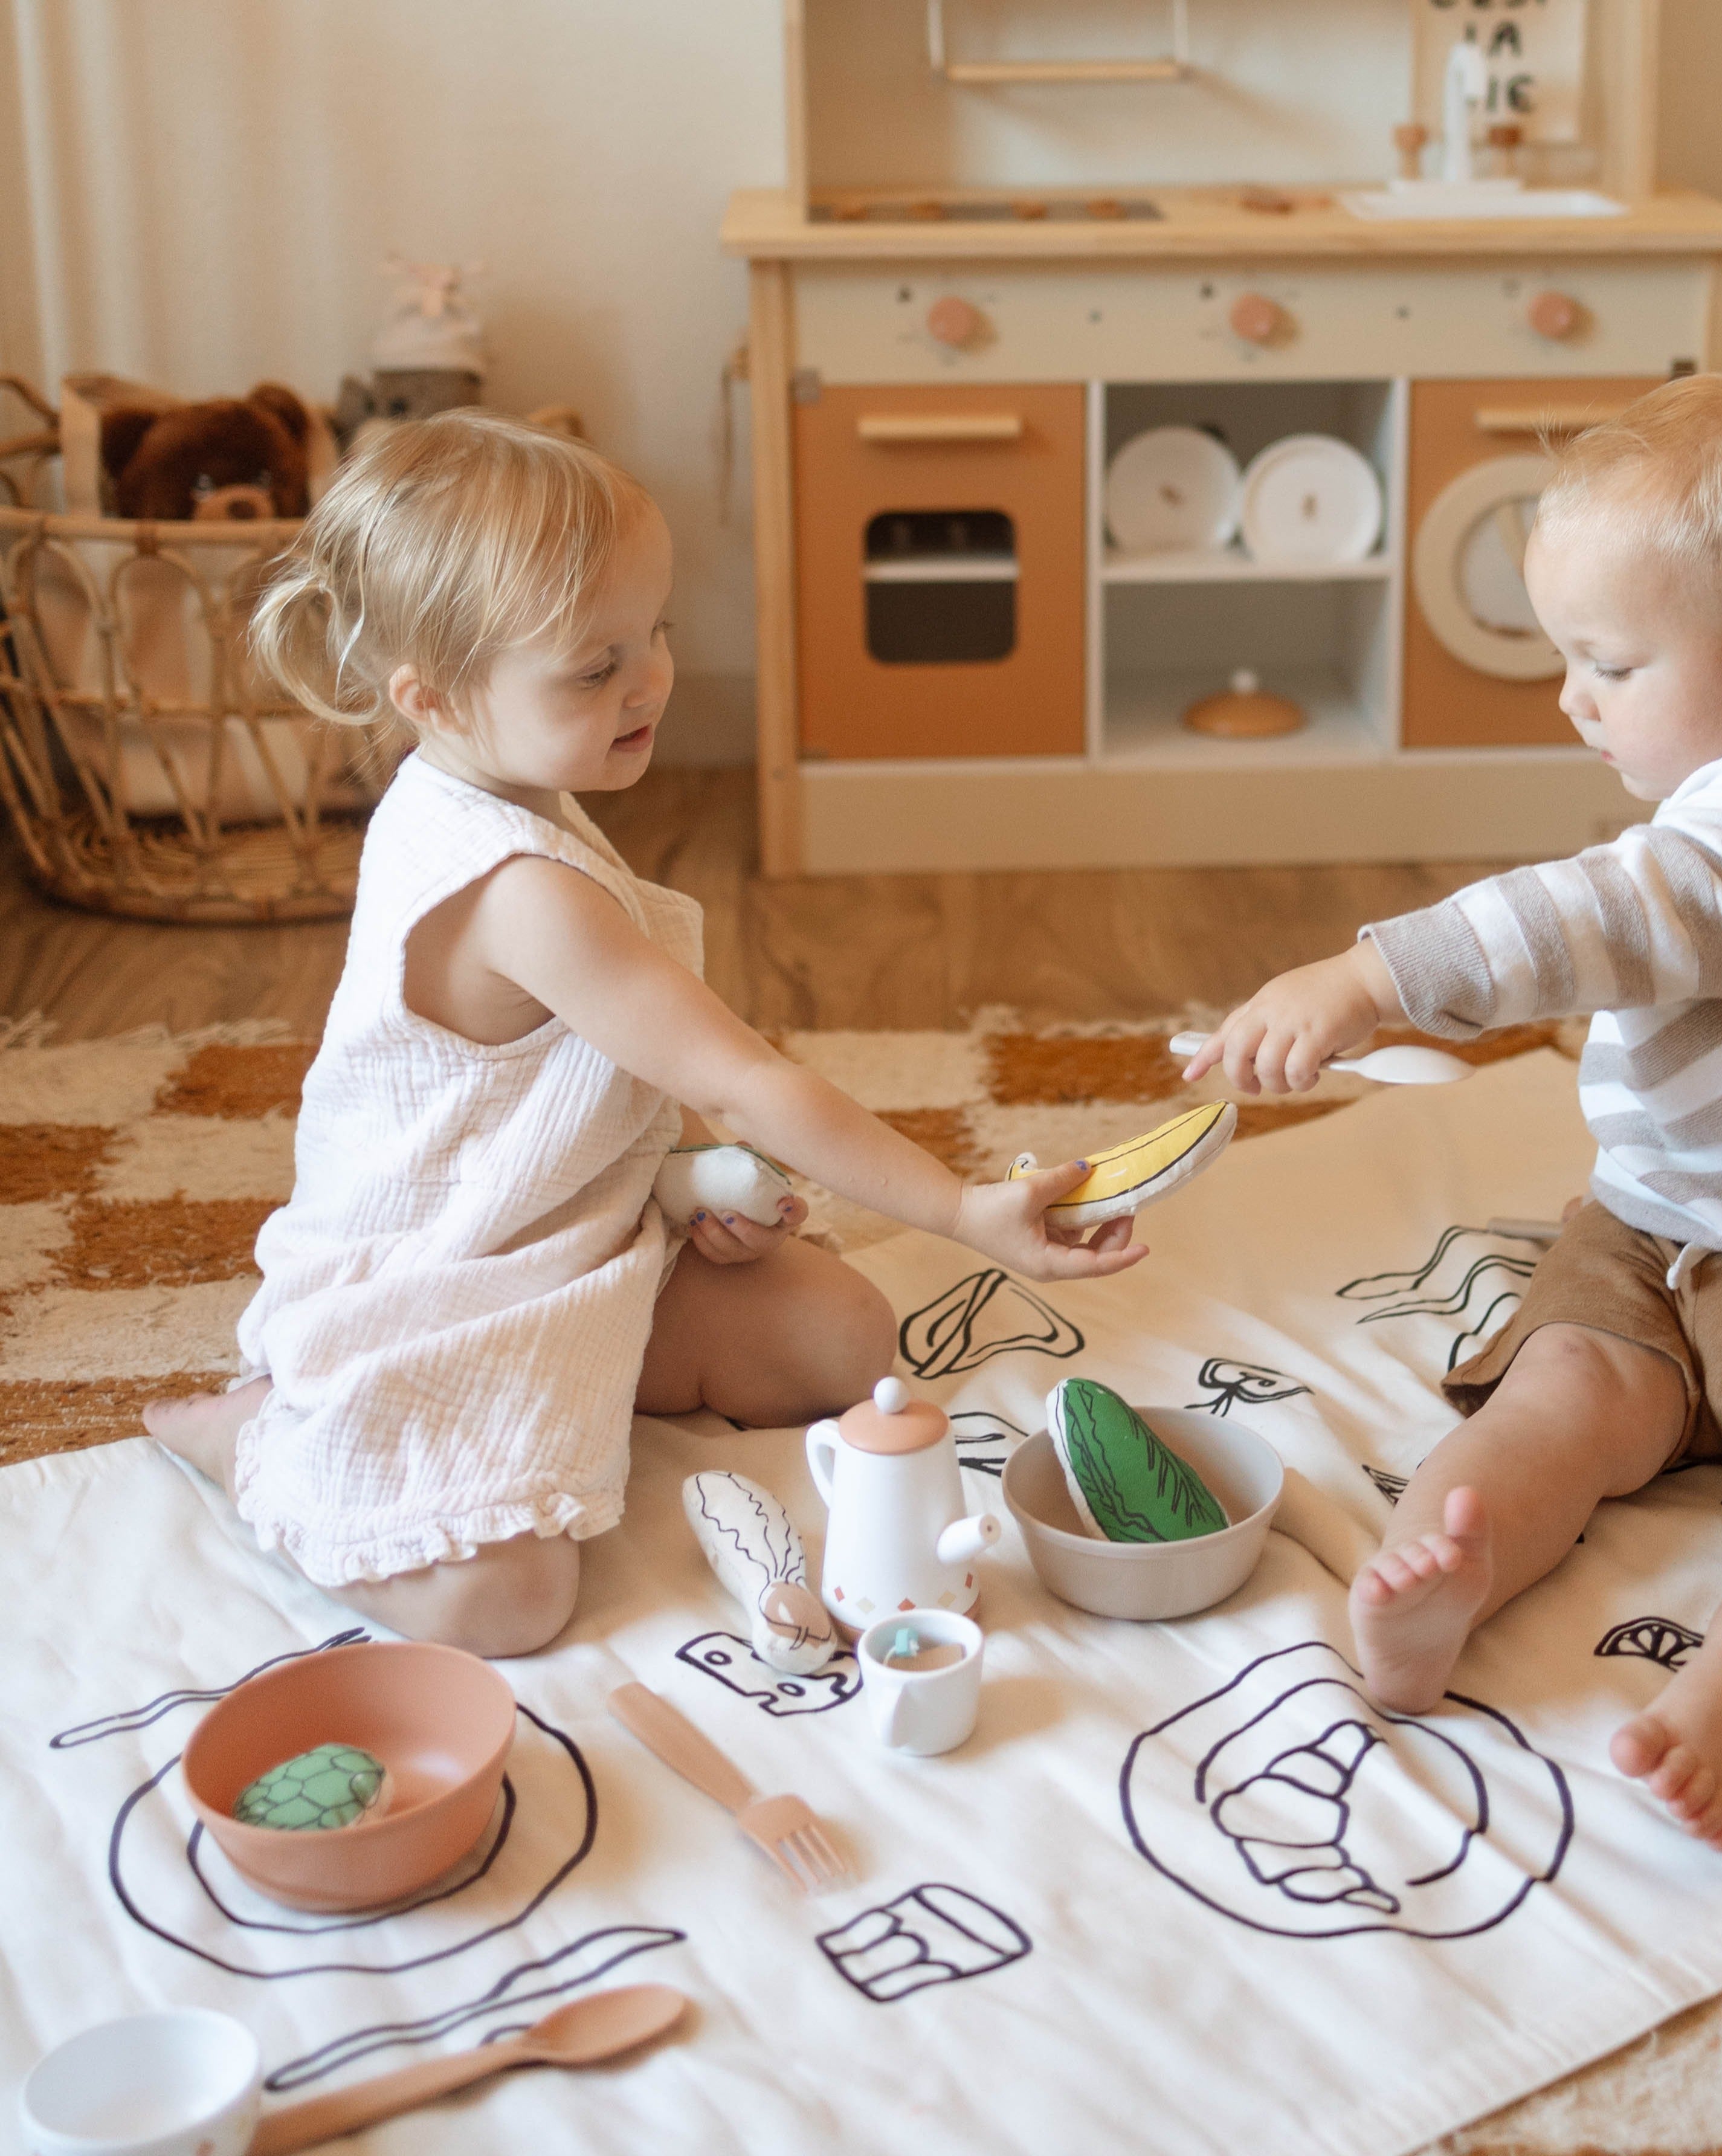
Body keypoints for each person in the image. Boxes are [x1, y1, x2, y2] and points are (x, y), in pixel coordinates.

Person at [147, 413, 1143, 1657]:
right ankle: (253, 1440)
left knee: (847, 1338)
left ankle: (596, 1365)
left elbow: (582, 1076)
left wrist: (673, 1183)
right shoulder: (520, 889)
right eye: (593, 665)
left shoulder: (496, 776)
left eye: (655, 632)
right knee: (505, 1603)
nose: (650, 679)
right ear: (434, 697)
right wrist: (958, 1207)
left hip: (574, 1233)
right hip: (448, 1282)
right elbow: (746, 1075)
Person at [1183, 375, 1722, 1850]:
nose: (1571, 699)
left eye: (1609, 663)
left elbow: (1611, 912)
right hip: (1659, 1236)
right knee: (1564, 1381)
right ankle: (1445, 1567)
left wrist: (1375, 972)